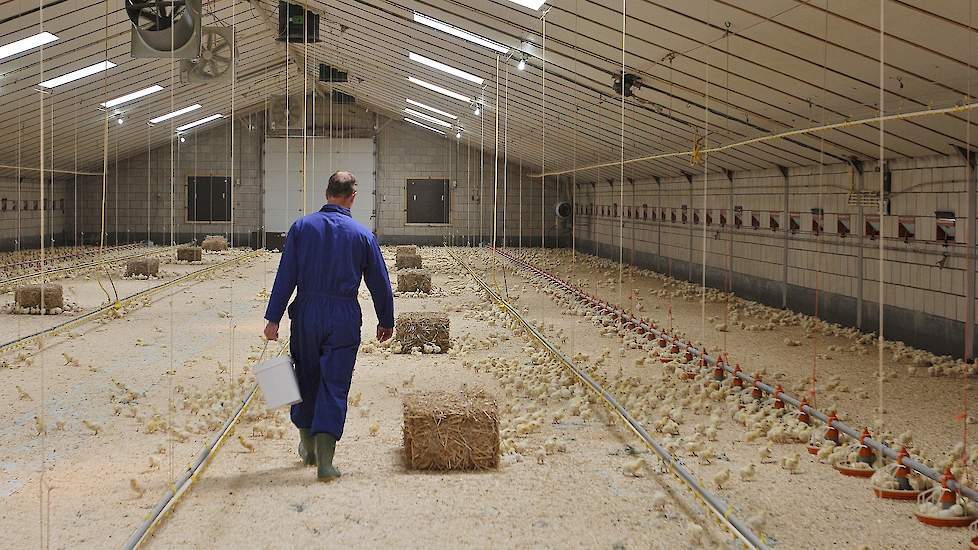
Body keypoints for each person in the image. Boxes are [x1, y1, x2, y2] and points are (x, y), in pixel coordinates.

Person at [263, 171, 394, 481]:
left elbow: (286, 276)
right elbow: (380, 282)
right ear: (352, 197)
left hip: (307, 312)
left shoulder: (301, 228)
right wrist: (385, 319)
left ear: (326, 193)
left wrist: (273, 318)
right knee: (333, 384)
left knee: (304, 378)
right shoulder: (362, 235)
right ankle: (325, 462)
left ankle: (306, 446)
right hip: (343, 315)